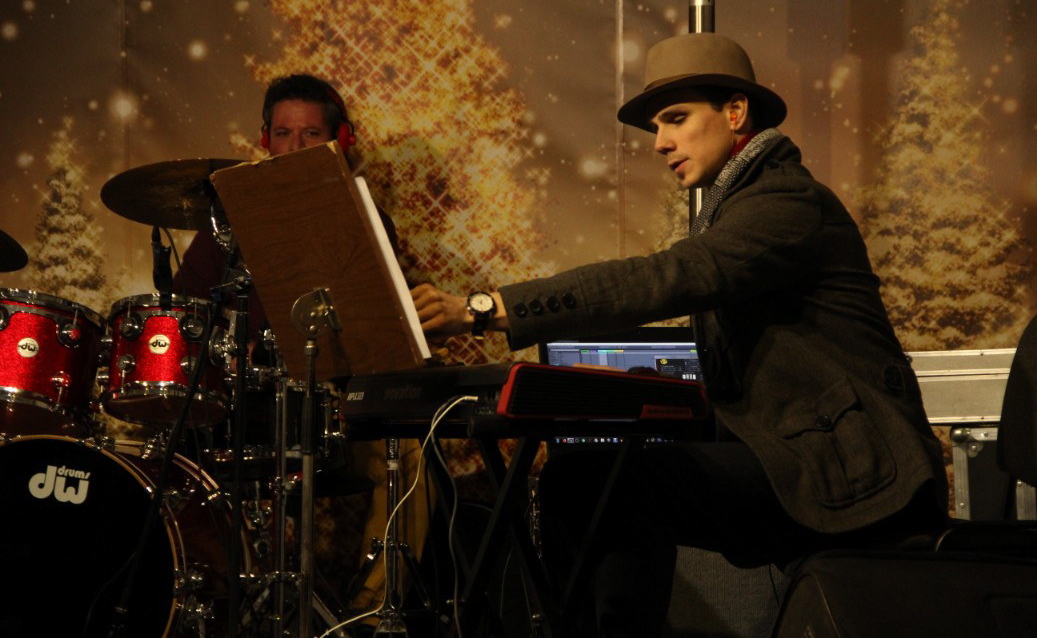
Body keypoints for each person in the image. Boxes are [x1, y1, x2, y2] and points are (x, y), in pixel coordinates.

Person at [410, 33, 948, 636]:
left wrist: (487, 308)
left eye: (676, 118)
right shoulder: (738, 205)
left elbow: (667, 276)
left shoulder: (786, 200)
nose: (660, 142)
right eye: (657, 127)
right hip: (805, 459)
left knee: (599, 484)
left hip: (852, 472)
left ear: (735, 113)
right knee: (588, 478)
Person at [173, 73, 431, 633]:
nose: (294, 147)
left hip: (328, 411)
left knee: (413, 455)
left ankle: (368, 617)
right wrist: (224, 352)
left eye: (311, 134)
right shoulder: (225, 224)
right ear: (264, 140)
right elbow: (185, 319)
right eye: (284, 134)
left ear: (340, 140)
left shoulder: (366, 219)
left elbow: (379, 335)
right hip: (242, 415)